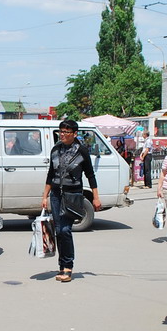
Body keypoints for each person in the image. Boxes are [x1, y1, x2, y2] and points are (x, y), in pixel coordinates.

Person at [41, 120, 102, 282]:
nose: (62, 134)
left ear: (75, 134)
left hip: (73, 195)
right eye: (61, 131)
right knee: (58, 230)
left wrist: (95, 197)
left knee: (65, 230)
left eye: (66, 132)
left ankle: (68, 266)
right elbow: (50, 174)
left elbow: (90, 175)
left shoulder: (81, 151)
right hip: (56, 194)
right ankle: (62, 266)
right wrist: (44, 196)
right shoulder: (55, 150)